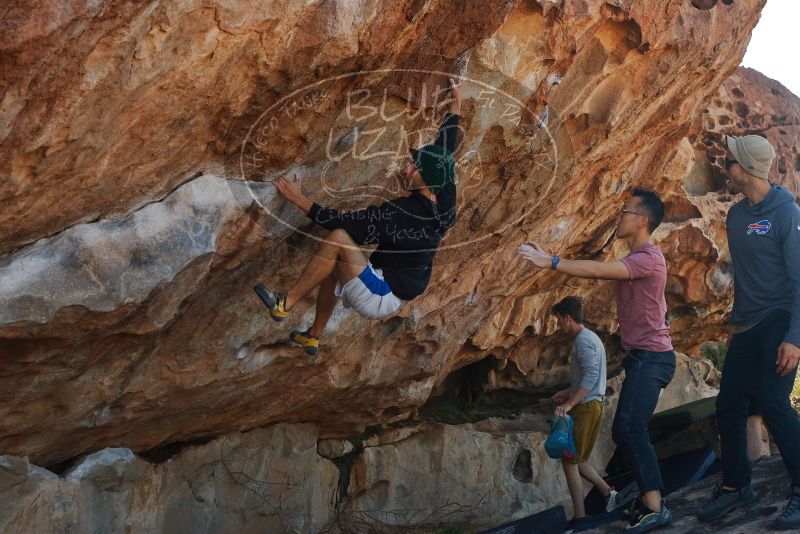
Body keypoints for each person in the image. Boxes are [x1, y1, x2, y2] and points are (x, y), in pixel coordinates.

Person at [253, 79, 462, 356]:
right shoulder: (444, 198)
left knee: (339, 239)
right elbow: (444, 150)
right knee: (331, 263)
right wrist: (456, 102)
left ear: (423, 178)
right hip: (390, 286)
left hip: (380, 294)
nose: (407, 166)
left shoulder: (401, 212)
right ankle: (313, 337)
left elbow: (342, 224)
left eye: (413, 166)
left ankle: (285, 303)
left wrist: (297, 198)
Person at [519, 187, 675, 533]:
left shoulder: (648, 257)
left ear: (642, 220)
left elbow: (599, 271)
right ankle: (648, 501)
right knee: (625, 429)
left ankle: (655, 505)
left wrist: (553, 262)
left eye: (625, 211)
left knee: (629, 428)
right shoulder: (639, 258)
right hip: (643, 358)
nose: (619, 216)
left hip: (655, 358)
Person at [694, 135, 800, 530]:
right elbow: (745, 276)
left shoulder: (787, 213)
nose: (726, 167)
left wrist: (795, 336)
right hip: (747, 325)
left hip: (780, 320)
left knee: (773, 403)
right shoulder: (737, 216)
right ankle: (738, 485)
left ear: (749, 168)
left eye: (731, 162)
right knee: (729, 404)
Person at [549, 296, 617, 530]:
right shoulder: (589, 338)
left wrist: (569, 404)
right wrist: (566, 392)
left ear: (568, 318)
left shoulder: (583, 341)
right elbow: (591, 376)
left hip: (587, 408)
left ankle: (580, 517)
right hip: (590, 404)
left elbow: (590, 376)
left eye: (559, 320)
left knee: (569, 461)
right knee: (577, 459)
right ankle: (608, 492)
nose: (559, 325)